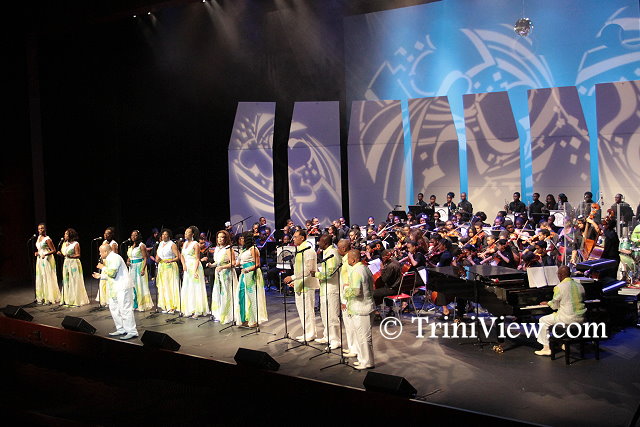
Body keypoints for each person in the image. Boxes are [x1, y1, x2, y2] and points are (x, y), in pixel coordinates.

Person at [534, 266, 585, 356]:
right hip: (581, 318)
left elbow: (555, 306)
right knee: (556, 316)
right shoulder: (580, 285)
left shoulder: (559, 287)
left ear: (560, 275)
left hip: (567, 318)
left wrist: (548, 303)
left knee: (543, 320)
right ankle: (562, 343)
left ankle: (546, 348)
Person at [92, 243, 138, 340]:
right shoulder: (109, 258)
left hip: (123, 287)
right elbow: (112, 275)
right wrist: (100, 276)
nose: (100, 254)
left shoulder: (115, 257)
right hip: (115, 288)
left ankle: (132, 331)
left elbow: (112, 273)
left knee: (125, 309)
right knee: (114, 309)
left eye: (100, 252)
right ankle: (121, 329)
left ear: (105, 251)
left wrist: (102, 267)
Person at [284, 229, 319, 341]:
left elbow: (309, 270)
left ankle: (311, 333)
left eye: (295, 237)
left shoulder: (308, 251)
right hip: (300, 284)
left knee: (308, 310)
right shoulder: (300, 250)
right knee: (302, 310)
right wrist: (296, 281)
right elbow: (300, 269)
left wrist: (293, 277)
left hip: (307, 285)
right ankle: (307, 332)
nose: (293, 239)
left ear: (302, 238)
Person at [343, 249, 376, 370]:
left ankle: (367, 362)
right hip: (367, 306)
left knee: (364, 337)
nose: (347, 260)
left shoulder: (356, 271)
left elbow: (356, 292)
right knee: (362, 337)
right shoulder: (365, 268)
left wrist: (346, 290)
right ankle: (363, 359)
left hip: (361, 309)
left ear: (353, 259)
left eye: (348, 258)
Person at [315, 234, 341, 349]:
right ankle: (328, 336)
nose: (318, 243)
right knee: (324, 314)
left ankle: (336, 340)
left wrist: (317, 274)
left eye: (320, 241)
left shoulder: (332, 253)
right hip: (325, 288)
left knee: (332, 316)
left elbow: (331, 273)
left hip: (332, 288)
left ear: (325, 243)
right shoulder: (326, 252)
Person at [236, 232, 268, 327]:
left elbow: (258, 264)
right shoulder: (244, 250)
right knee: (242, 294)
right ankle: (244, 318)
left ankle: (254, 320)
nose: (240, 240)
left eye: (242, 238)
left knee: (252, 296)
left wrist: (248, 269)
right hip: (244, 273)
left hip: (251, 273)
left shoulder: (253, 249)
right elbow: (239, 262)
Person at [180, 226, 209, 319]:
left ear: (192, 234)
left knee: (195, 287)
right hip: (187, 267)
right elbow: (182, 255)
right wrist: (183, 265)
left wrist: (195, 270)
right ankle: (189, 309)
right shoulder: (184, 244)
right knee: (188, 287)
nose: (185, 234)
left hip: (194, 266)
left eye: (188, 232)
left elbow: (197, 258)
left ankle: (197, 310)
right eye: (185, 232)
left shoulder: (195, 244)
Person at [208, 230, 237, 324]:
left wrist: (222, 267)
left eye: (222, 237)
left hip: (227, 274)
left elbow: (233, 263)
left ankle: (227, 315)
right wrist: (211, 265)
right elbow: (217, 262)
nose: (220, 239)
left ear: (226, 238)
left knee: (226, 293)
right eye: (218, 237)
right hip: (219, 273)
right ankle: (220, 313)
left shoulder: (228, 249)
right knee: (219, 293)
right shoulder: (217, 249)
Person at [58, 228, 89, 306]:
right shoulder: (64, 244)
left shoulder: (75, 244)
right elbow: (65, 255)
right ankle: (67, 299)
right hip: (66, 263)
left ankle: (76, 299)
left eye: (66, 234)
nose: (64, 235)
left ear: (70, 235)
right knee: (66, 280)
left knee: (74, 280)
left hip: (74, 263)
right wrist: (61, 255)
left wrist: (71, 256)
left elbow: (78, 255)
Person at [155, 229, 181, 314]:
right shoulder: (160, 244)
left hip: (170, 267)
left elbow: (178, 257)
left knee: (170, 286)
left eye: (165, 234)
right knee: (163, 286)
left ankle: (172, 306)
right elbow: (158, 255)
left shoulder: (172, 244)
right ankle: (166, 305)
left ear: (169, 236)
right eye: (162, 234)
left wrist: (170, 260)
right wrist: (157, 259)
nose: (164, 236)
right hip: (162, 267)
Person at [34, 223, 61, 305]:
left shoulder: (47, 239)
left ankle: (49, 297)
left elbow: (53, 250)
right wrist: (37, 253)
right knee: (41, 277)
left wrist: (45, 254)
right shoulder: (38, 237)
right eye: (39, 229)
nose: (40, 230)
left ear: (45, 229)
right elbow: (39, 249)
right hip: (40, 259)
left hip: (46, 259)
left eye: (42, 228)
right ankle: (42, 296)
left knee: (47, 277)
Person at [127, 230, 153, 312]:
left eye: (135, 235)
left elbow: (145, 258)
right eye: (132, 235)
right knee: (133, 286)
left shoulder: (141, 245)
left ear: (138, 236)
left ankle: (142, 304)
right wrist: (128, 261)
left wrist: (143, 269)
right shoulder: (131, 246)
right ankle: (135, 304)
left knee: (140, 286)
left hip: (139, 266)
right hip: (132, 267)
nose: (133, 237)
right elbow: (130, 256)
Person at [97, 227, 119, 307]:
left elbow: (115, 256)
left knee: (109, 281)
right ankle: (104, 300)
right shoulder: (104, 242)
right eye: (105, 233)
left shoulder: (113, 244)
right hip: (104, 263)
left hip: (110, 264)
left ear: (111, 235)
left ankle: (110, 300)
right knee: (103, 282)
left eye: (108, 234)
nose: (105, 235)